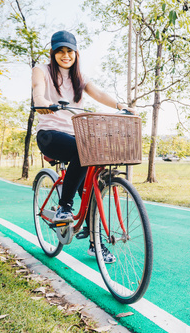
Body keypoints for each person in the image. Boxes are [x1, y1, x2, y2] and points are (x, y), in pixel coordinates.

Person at [32, 30, 135, 263]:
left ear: (76, 53)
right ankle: (64, 207)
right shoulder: (42, 70)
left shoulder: (80, 77)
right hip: (49, 134)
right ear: (53, 53)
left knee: (89, 187)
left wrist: (121, 105)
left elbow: (97, 92)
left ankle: (95, 243)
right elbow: (38, 91)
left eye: (69, 51)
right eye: (60, 51)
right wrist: (42, 103)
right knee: (82, 151)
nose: (65, 55)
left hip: (76, 134)